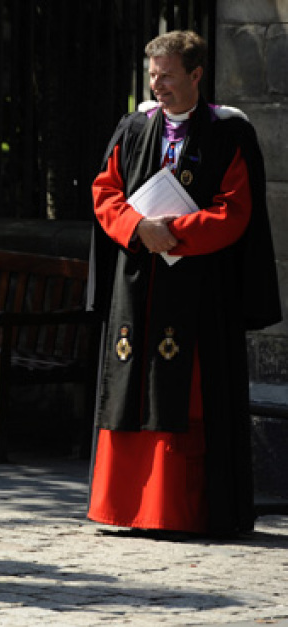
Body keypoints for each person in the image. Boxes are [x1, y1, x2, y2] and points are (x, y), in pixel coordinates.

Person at [87, 30, 281, 538]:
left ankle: (178, 510)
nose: (158, 85)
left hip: (199, 288)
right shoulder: (133, 127)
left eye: (167, 75)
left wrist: (170, 234)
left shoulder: (228, 132)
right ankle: (124, 506)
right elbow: (105, 192)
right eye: (152, 75)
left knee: (187, 392)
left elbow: (234, 212)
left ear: (196, 75)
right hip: (139, 281)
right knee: (130, 387)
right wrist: (137, 230)